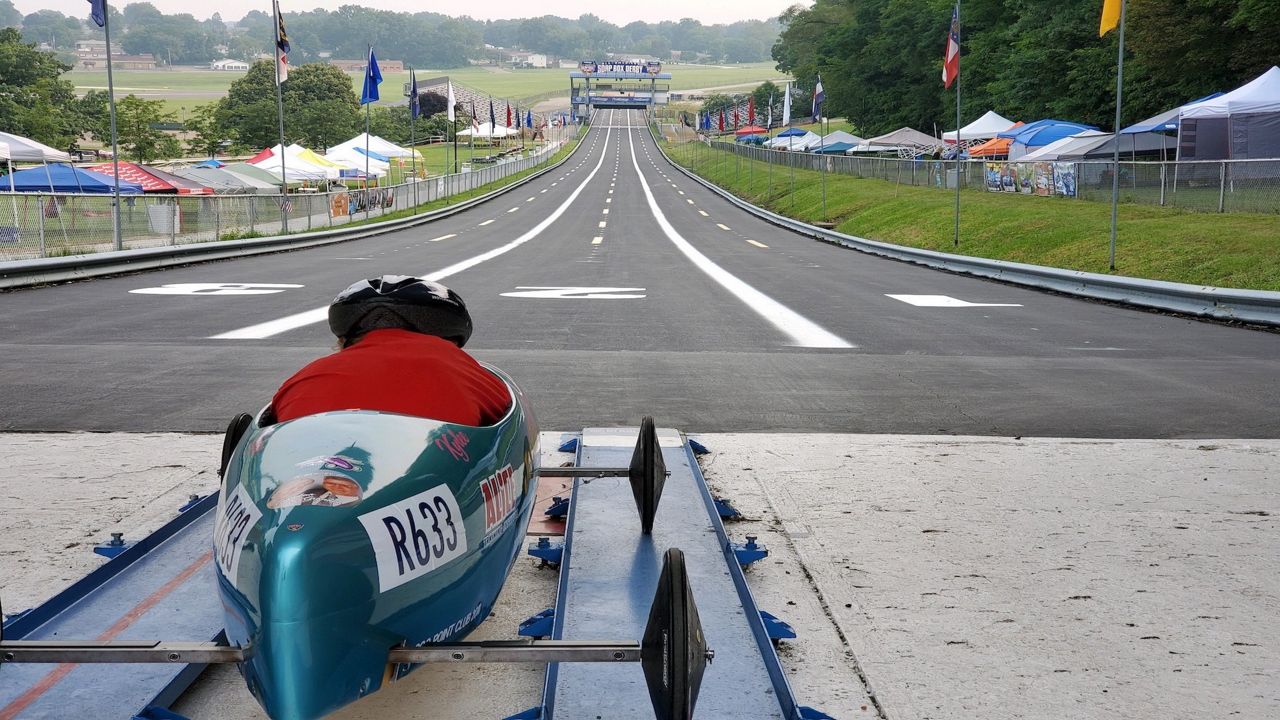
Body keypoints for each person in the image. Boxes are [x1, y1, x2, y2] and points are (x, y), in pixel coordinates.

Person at [271, 275, 510, 426]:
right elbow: (507, 420)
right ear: (450, 339)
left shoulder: (305, 377)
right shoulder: (464, 370)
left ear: (343, 340)